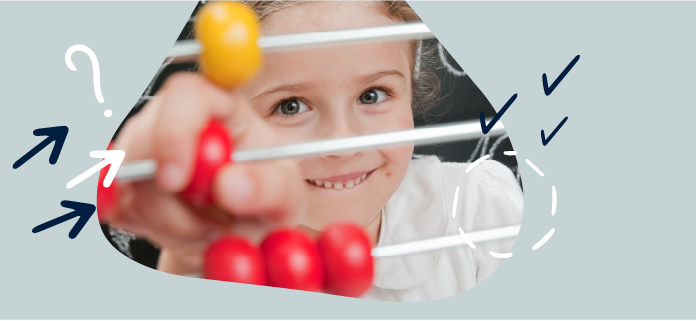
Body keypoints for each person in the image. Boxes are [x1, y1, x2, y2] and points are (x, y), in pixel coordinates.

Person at [107, 0, 523, 302]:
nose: (343, 143)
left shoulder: (481, 209)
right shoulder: (212, 262)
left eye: (373, 95)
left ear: (411, 95)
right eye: (290, 106)